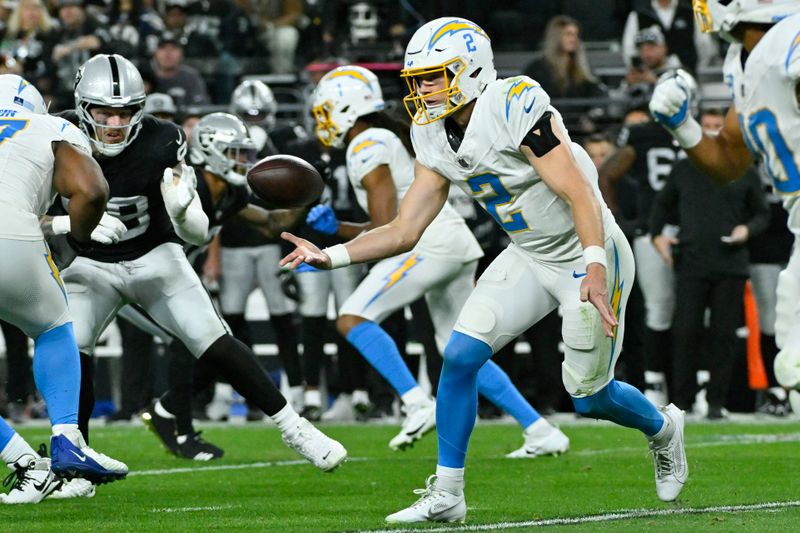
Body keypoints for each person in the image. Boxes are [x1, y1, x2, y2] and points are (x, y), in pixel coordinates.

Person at [281, 18, 688, 523]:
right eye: (419, 79)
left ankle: (663, 429)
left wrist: (596, 265)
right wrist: (331, 254)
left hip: (585, 252)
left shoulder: (514, 101)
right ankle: (448, 494)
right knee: (458, 357)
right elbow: (405, 229)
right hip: (527, 254)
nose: (423, 89)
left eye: (434, 76)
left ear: (471, 70)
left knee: (589, 398)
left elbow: (579, 192)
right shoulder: (430, 130)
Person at [49, 55, 346, 476]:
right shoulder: (55, 134)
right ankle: (75, 464)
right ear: (81, 107)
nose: (115, 122)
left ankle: (296, 428)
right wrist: (65, 223)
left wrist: (184, 209)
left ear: (141, 109)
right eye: (104, 111)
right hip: (88, 263)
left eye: (126, 111)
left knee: (212, 337)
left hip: (154, 255)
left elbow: (195, 234)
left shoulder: (162, 140)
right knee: (70, 347)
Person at [308, 64, 569, 454]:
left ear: (347, 106)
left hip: (428, 244)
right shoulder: (383, 136)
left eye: (327, 109)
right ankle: (539, 429)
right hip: (451, 242)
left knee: (352, 317)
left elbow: (385, 225)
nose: (323, 120)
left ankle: (415, 404)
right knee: (459, 349)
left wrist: (336, 233)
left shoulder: (366, 144)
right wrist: (343, 227)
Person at [650, 1, 800, 399]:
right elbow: (730, 160)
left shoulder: (791, 39)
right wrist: (683, 126)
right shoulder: (746, 60)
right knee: (792, 362)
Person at [0, 74, 128, 504]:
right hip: (12, 237)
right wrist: (74, 240)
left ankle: (24, 464)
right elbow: (92, 191)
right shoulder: (49, 127)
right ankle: (66, 438)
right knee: (53, 325)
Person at [650, 108, 769, 419]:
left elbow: (762, 214)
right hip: (691, 260)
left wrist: (747, 230)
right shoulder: (683, 168)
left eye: (719, 126)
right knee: (685, 331)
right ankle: (682, 401)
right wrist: (656, 237)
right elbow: (661, 205)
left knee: (724, 335)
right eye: (708, 126)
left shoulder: (745, 168)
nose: (714, 131)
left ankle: (718, 402)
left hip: (731, 263)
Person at [598, 77, 691, 405]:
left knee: (685, 311)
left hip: (690, 229)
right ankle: (655, 382)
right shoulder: (650, 133)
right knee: (660, 309)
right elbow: (606, 174)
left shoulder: (691, 133)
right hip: (657, 228)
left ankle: (683, 386)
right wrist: (621, 222)